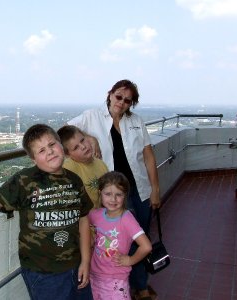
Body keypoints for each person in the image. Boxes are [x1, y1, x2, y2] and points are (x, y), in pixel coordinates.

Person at [0, 124, 93, 300]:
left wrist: (86, 261)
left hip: (75, 264)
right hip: (43, 273)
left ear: (60, 146)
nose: (49, 152)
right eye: (41, 151)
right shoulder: (25, 180)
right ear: (33, 159)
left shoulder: (74, 180)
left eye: (51, 145)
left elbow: (83, 219)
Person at [68, 79, 160, 300]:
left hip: (139, 189)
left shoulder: (136, 121)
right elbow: (64, 131)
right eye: (119, 96)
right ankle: (127, 287)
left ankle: (139, 284)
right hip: (114, 193)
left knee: (141, 236)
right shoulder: (91, 116)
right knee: (122, 240)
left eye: (128, 100)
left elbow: (147, 155)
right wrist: (88, 137)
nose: (122, 102)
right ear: (110, 94)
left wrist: (155, 188)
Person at [89, 171, 152, 300]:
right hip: (94, 276)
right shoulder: (96, 214)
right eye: (108, 194)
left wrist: (130, 260)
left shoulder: (126, 219)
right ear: (100, 193)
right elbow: (82, 222)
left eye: (118, 195)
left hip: (116, 280)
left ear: (125, 196)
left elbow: (146, 246)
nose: (113, 199)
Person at [57, 125, 108, 208]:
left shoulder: (101, 164)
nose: (83, 147)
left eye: (82, 140)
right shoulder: (68, 168)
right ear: (67, 154)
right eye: (76, 147)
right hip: (84, 218)